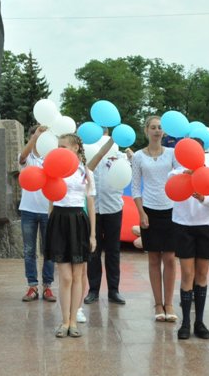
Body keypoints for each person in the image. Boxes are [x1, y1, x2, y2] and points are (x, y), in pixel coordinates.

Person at [131, 115, 183, 323]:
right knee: (153, 258)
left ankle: (169, 303)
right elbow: (135, 187)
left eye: (160, 127)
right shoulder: (138, 156)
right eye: (152, 127)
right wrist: (141, 212)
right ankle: (158, 304)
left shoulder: (172, 153)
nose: (156, 130)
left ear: (165, 132)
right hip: (149, 211)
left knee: (170, 258)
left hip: (171, 210)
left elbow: (180, 177)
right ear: (146, 131)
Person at [46, 134, 96, 338]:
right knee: (65, 277)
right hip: (59, 220)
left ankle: (73, 320)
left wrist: (93, 234)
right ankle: (64, 320)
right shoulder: (54, 170)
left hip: (78, 221)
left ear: (75, 148)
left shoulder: (85, 171)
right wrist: (51, 226)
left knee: (78, 276)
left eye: (64, 146)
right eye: (57, 146)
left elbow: (91, 203)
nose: (59, 149)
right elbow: (50, 199)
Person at [171, 169, 209, 340]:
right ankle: (185, 322)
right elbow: (170, 193)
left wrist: (202, 198)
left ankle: (199, 322)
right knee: (187, 274)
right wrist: (185, 179)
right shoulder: (175, 174)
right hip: (182, 225)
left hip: (205, 226)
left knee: (202, 274)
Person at [85, 136, 129, 306]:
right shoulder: (89, 157)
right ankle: (93, 290)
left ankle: (113, 290)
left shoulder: (121, 158)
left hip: (113, 208)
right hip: (93, 210)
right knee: (93, 250)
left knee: (113, 251)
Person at [18, 125, 55, 303]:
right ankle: (32, 285)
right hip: (28, 210)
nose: (39, 139)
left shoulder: (52, 158)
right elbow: (22, 156)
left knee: (49, 250)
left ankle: (48, 286)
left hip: (48, 210)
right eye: (35, 136)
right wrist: (35, 136)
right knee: (29, 250)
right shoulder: (27, 157)